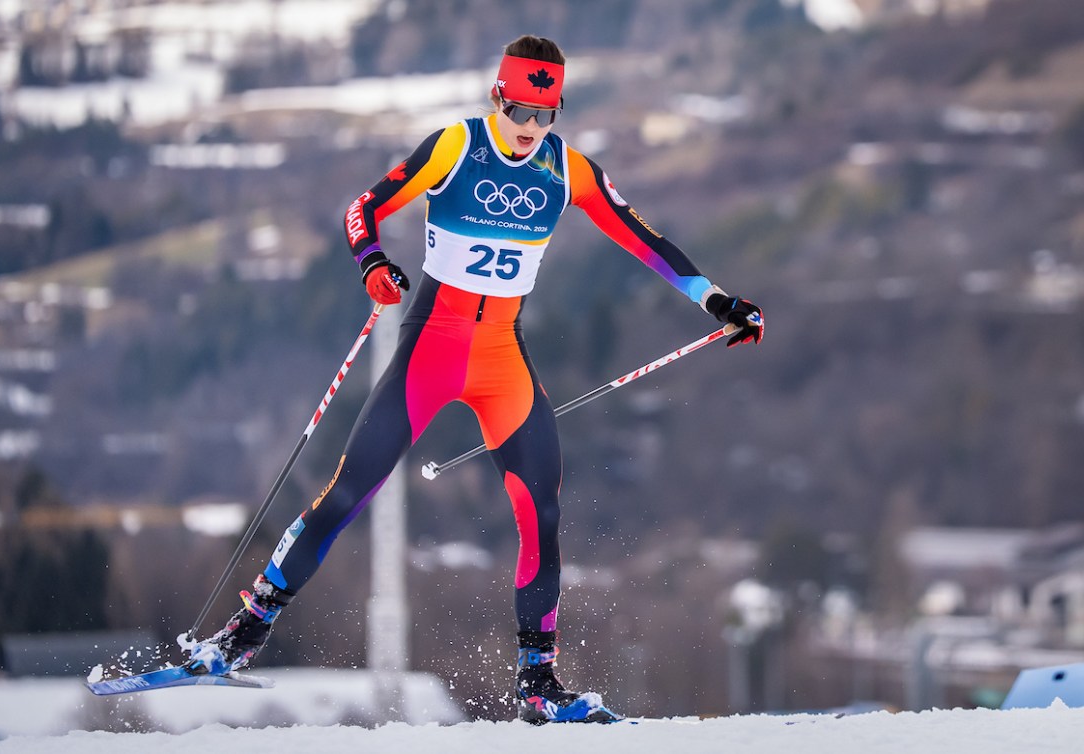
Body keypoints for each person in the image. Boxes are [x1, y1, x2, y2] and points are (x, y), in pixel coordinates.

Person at [185, 34, 763, 724]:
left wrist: (718, 301)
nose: (528, 129)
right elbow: (361, 208)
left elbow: (648, 242)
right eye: (519, 109)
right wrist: (373, 261)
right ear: (498, 97)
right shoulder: (455, 147)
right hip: (430, 351)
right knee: (346, 495)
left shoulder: (570, 170)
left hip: (501, 361)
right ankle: (241, 635)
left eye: (544, 115)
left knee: (541, 515)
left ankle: (538, 684)